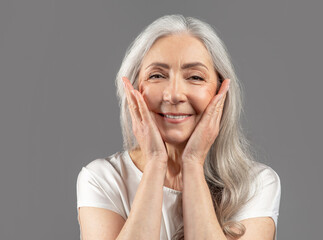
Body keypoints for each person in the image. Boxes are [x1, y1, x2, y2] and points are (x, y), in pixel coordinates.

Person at [76, 14, 281, 240]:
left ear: (220, 92)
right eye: (156, 75)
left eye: (195, 77)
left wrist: (192, 163)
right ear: (133, 91)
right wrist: (156, 161)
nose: (173, 95)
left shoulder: (256, 184)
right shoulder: (102, 179)